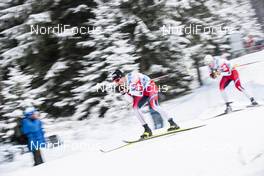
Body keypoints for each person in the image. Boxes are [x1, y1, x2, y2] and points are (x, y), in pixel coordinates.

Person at [111, 69, 180, 139]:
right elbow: (131, 100)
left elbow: (139, 92)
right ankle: (147, 129)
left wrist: (128, 90)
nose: (117, 83)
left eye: (117, 80)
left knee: (154, 106)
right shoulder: (122, 85)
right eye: (115, 82)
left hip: (149, 87)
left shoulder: (132, 77)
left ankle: (172, 123)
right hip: (142, 93)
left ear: (122, 77)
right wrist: (124, 93)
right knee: (135, 108)